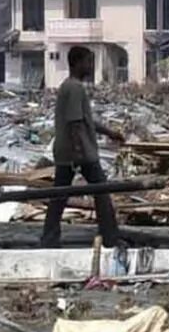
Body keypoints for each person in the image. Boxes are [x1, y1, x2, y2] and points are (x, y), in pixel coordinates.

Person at [41, 45, 126, 248]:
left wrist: (110, 133)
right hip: (79, 153)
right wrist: (79, 154)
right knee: (101, 191)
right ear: (77, 63)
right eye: (88, 62)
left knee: (59, 196)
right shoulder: (75, 88)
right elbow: (75, 124)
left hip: (68, 152)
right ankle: (110, 237)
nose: (90, 66)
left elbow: (87, 121)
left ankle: (49, 238)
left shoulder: (69, 86)